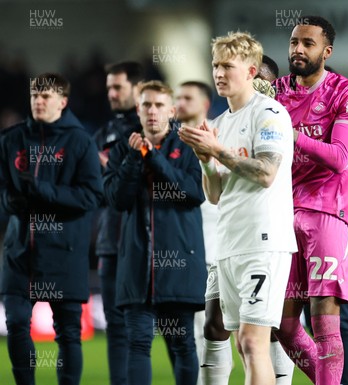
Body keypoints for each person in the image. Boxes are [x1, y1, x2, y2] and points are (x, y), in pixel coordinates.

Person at [178, 32, 296, 385]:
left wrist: (218, 152)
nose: (218, 73)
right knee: (237, 342)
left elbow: (266, 172)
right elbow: (215, 194)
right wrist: (204, 162)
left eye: (227, 65)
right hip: (229, 241)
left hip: (263, 240)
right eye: (215, 65)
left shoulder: (271, 113)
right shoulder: (220, 124)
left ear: (251, 70)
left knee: (251, 341)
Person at [273, 15, 348, 385]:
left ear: (326, 51)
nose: (298, 49)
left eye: (308, 43)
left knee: (323, 317)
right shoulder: (275, 91)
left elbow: (340, 156)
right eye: (294, 42)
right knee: (282, 324)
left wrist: (291, 134)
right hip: (281, 213)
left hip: (327, 211)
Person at [0, 72, 103, 385]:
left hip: (65, 252)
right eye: (35, 96)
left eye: (46, 97)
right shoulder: (11, 139)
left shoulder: (80, 141)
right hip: (20, 252)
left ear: (63, 101)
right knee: (17, 323)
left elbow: (91, 196)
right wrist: (12, 201)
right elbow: (3, 191)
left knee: (68, 331)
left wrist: (44, 190)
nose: (39, 101)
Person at [103, 80, 207, 385]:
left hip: (178, 264)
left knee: (182, 343)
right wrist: (136, 158)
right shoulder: (122, 149)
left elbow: (192, 193)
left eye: (159, 105)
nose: (152, 111)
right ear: (137, 109)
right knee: (138, 343)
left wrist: (154, 157)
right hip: (137, 265)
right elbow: (117, 200)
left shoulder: (187, 147)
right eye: (146, 105)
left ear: (172, 110)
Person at [95, 60, 144, 385]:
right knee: (114, 323)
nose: (111, 93)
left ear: (137, 88)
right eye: (109, 87)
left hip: (142, 242)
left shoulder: (150, 128)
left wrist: (113, 167)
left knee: (141, 324)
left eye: (118, 87)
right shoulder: (104, 132)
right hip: (110, 240)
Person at [174, 79, 215, 385]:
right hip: (188, 246)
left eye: (187, 97)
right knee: (199, 324)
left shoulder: (219, 135)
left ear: (204, 104)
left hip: (223, 241)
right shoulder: (169, 142)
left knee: (251, 328)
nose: (179, 103)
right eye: (177, 97)